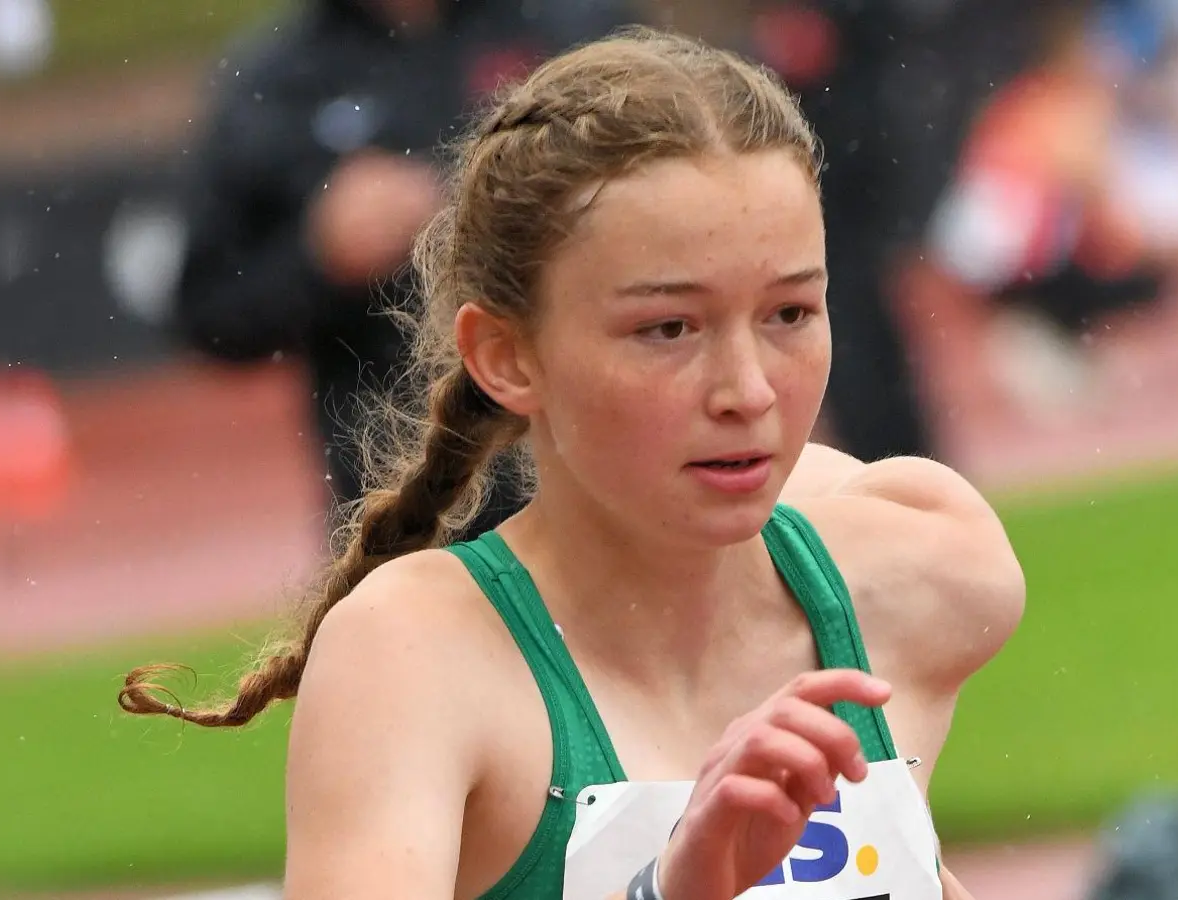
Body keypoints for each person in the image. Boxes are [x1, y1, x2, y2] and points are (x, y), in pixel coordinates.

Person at [123, 27, 1024, 900]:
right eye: (668, 328)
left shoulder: (921, 568)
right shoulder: (416, 661)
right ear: (507, 357)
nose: (748, 391)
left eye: (790, 314)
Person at [173, 0, 631, 532]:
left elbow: (670, 200)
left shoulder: (575, 26)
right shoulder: (274, 80)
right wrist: (318, 257)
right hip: (409, 510)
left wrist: (472, 200)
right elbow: (207, 310)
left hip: (596, 482)